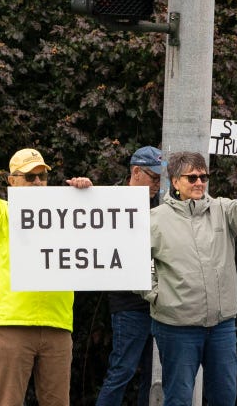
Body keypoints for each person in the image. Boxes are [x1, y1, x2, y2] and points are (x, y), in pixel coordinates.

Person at [0, 128, 92, 406]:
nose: (37, 181)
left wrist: (85, 199)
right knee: (9, 402)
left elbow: (94, 242)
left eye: (42, 176)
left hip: (57, 323)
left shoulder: (66, 214)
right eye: (29, 176)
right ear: (11, 181)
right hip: (12, 324)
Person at [147, 150, 237, 406]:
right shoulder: (155, 220)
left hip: (221, 326)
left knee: (225, 397)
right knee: (178, 399)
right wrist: (156, 295)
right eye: (191, 178)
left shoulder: (221, 209)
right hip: (177, 327)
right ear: (175, 181)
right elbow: (135, 264)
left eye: (203, 176)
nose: (199, 182)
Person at [96, 146, 163, 406]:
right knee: (122, 371)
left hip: (158, 302)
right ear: (135, 171)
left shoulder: (161, 202)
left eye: (160, 178)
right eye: (153, 177)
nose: (158, 184)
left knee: (152, 374)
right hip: (129, 303)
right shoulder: (113, 200)